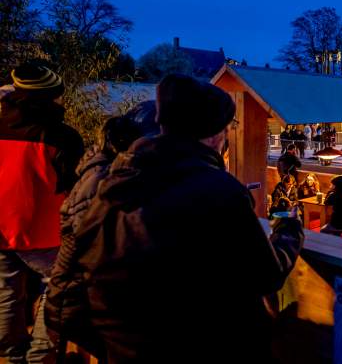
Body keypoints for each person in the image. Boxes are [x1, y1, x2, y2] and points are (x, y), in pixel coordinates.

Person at [50, 73, 303, 362]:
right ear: (212, 135)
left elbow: (76, 279)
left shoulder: (112, 186)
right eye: (226, 130)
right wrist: (289, 231)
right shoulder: (220, 192)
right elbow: (265, 275)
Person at [47, 101, 159, 357]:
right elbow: (110, 255)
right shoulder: (108, 181)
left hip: (87, 298)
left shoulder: (109, 171)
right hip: (81, 304)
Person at [0, 63, 85, 363]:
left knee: (8, 290)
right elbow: (71, 183)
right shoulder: (63, 137)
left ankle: (12, 355)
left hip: (2, 224)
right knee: (59, 284)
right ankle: (41, 353)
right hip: (42, 227)